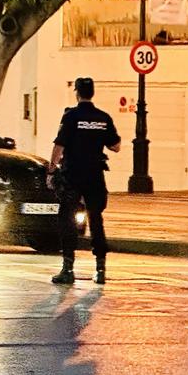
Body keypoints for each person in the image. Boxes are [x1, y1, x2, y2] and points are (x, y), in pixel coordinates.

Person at [48, 77, 121, 285]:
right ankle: (100, 269)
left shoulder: (71, 116)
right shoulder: (103, 118)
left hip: (73, 175)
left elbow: (59, 146)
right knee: (96, 219)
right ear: (93, 93)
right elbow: (116, 146)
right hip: (95, 175)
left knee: (67, 218)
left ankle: (68, 269)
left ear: (77, 93)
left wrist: (51, 171)